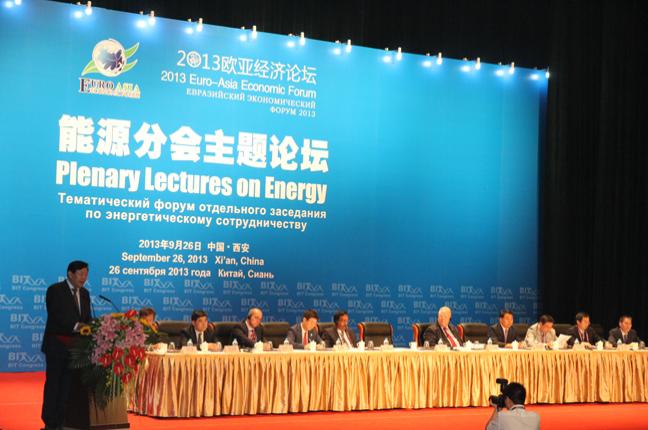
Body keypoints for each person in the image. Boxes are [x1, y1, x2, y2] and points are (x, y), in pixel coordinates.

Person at [41, 260, 92, 430]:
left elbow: (87, 318)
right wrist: (77, 326)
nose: (84, 278)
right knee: (54, 385)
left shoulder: (85, 294)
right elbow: (56, 315)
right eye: (81, 274)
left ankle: (63, 421)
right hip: (57, 347)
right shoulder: (55, 290)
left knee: (68, 388)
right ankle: (50, 422)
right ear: (70, 274)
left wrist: (93, 327)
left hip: (76, 349)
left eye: (86, 274)